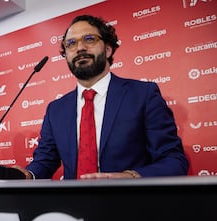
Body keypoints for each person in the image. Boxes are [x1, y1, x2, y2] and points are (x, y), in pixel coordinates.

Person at [16, 14, 189, 180]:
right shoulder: (56, 109)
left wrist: (131, 177)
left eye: (89, 39)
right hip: (74, 206)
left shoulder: (143, 94)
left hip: (130, 203)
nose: (80, 48)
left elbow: (173, 159)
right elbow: (45, 160)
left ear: (107, 49)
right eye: (70, 44)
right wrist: (28, 175)